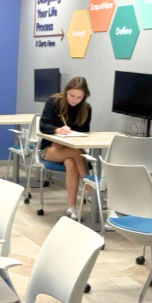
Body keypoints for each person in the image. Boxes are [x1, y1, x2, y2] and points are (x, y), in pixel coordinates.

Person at [39, 77, 93, 219]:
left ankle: (72, 207)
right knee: (77, 153)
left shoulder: (86, 109)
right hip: (50, 149)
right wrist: (57, 131)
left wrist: (69, 137)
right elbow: (43, 125)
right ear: (66, 92)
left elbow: (85, 132)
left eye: (79, 97)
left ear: (84, 96)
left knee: (71, 162)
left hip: (70, 151)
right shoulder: (54, 102)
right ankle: (91, 191)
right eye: (72, 96)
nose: (75, 100)